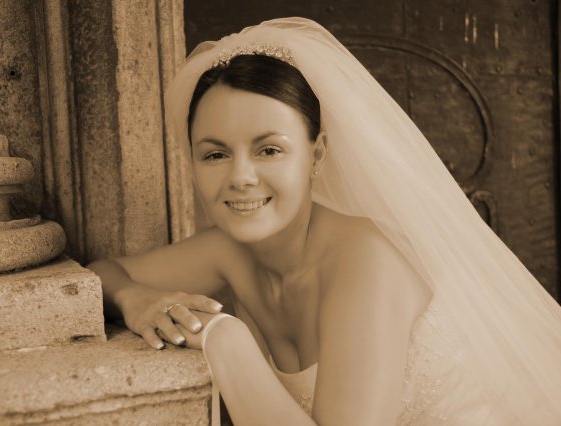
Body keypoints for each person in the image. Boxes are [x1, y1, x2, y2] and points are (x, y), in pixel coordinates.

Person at [88, 17, 561, 425]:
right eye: (215, 154)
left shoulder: (366, 258)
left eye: (268, 150)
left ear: (316, 155)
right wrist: (136, 299)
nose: (241, 177)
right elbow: (98, 277)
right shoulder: (228, 251)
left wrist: (224, 339)